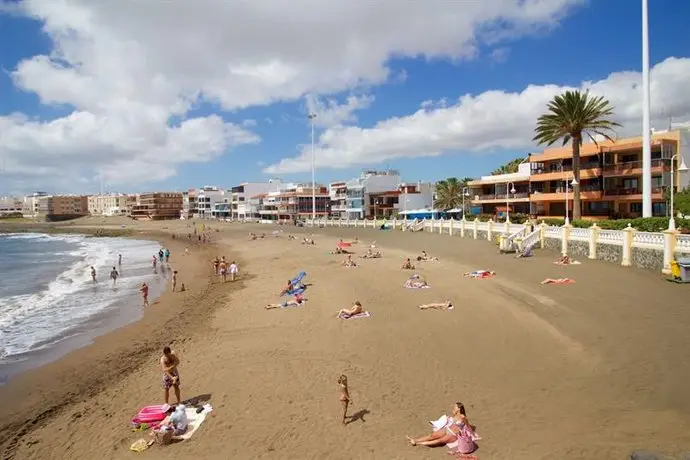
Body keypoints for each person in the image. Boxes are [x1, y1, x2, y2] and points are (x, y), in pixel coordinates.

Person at [407, 402, 477, 452]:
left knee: (439, 441)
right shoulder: (454, 414)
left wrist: (472, 435)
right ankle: (416, 440)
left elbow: (468, 426)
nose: (453, 408)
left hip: (453, 435)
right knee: (432, 435)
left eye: (455, 407)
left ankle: (418, 443)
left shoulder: (463, 417)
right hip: (448, 429)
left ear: (458, 409)